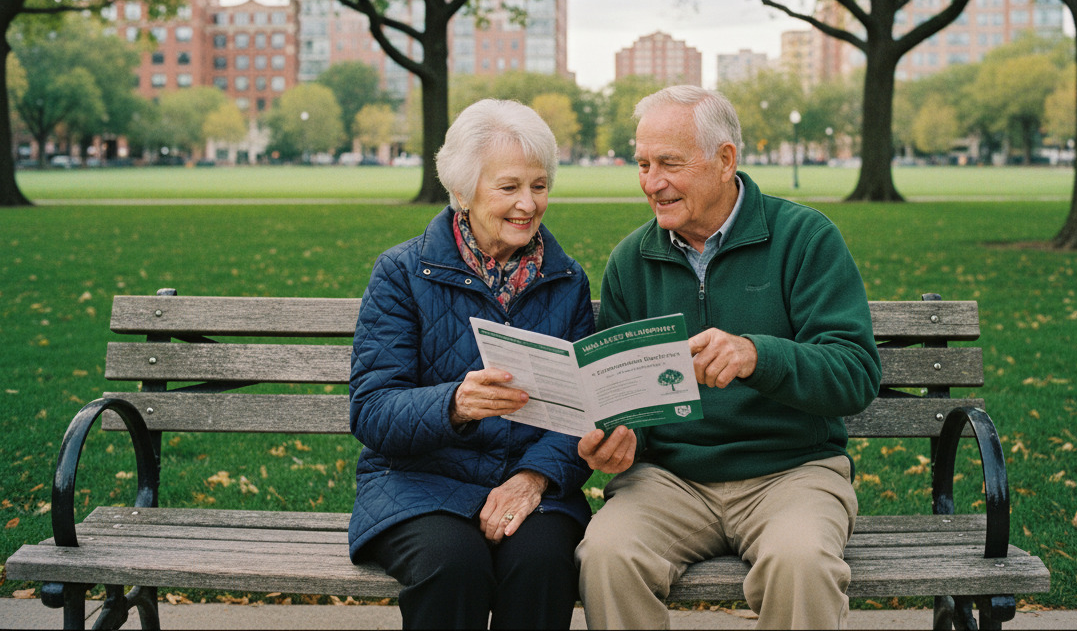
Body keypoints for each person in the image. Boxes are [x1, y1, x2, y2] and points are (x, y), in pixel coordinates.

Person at [575, 85, 881, 629]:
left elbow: (855, 375)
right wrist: (619, 440)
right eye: (643, 164)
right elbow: (626, 398)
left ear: (725, 160)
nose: (652, 182)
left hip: (791, 472)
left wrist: (757, 355)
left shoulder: (804, 239)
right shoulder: (631, 261)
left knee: (801, 562)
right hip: (668, 480)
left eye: (670, 163)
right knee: (605, 554)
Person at [349, 99, 595, 630]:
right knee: (453, 565)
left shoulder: (567, 279)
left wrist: (533, 477)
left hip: (530, 484)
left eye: (539, 185)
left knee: (542, 562)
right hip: (418, 484)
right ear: (462, 191)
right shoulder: (401, 272)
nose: (528, 204)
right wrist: (454, 405)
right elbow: (371, 411)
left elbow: (580, 412)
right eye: (509, 187)